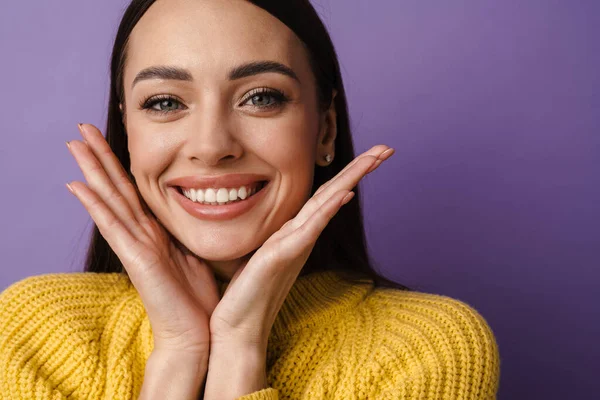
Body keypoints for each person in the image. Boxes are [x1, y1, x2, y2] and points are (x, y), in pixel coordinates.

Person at [0, 0, 500, 398]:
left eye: (261, 97)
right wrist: (178, 351)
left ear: (325, 128)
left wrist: (240, 349)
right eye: (166, 102)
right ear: (128, 131)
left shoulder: (428, 349)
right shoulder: (35, 333)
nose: (212, 146)